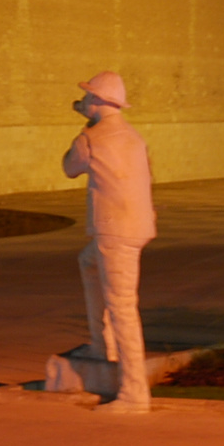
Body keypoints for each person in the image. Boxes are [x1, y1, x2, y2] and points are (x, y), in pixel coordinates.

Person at [63, 70, 156, 414]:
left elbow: (69, 168)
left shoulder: (91, 139)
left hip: (114, 231)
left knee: (122, 308)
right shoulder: (134, 136)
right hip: (137, 226)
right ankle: (102, 346)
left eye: (88, 98)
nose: (83, 102)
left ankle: (134, 393)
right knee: (88, 263)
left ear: (99, 103)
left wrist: (85, 129)